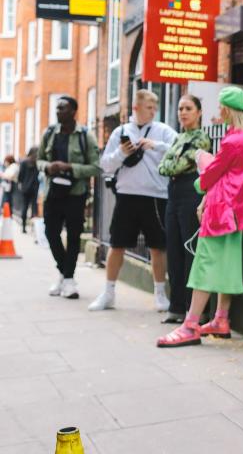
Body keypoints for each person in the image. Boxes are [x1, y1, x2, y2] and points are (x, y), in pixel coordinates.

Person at [156, 87, 243, 348]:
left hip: (221, 210)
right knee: (227, 265)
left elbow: (212, 174)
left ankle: (190, 325)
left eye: (221, 105)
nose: (218, 110)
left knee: (204, 264)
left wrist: (201, 172)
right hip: (236, 211)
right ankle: (221, 318)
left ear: (227, 109)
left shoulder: (234, 140)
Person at [92, 89, 178, 312]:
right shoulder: (121, 131)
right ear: (136, 108)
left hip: (156, 196)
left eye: (154, 108)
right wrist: (121, 153)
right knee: (117, 244)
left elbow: (180, 150)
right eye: (149, 107)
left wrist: (156, 145)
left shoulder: (163, 131)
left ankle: (160, 294)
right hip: (127, 196)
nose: (153, 112)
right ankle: (108, 293)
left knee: (158, 247)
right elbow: (105, 165)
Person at [36, 97, 102, 299]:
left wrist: (70, 168)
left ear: (73, 111)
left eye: (62, 108)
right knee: (50, 233)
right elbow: (39, 160)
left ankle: (68, 280)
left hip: (75, 194)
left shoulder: (85, 136)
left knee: (74, 236)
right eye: (57, 108)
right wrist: (48, 167)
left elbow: (96, 167)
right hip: (53, 193)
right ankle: (65, 275)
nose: (58, 111)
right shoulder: (49, 133)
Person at [157, 95, 212, 324]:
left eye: (188, 108)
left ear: (199, 112)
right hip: (173, 194)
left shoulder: (202, 138)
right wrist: (171, 165)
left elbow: (176, 165)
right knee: (174, 251)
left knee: (191, 251)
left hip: (191, 193)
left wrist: (171, 164)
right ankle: (176, 306)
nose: (183, 112)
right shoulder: (179, 138)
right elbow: (163, 167)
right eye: (180, 108)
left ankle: (194, 310)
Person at [16, 147, 40, 234]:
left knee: (25, 208)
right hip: (34, 188)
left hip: (25, 188)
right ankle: (34, 229)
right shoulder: (36, 163)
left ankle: (23, 227)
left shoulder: (24, 162)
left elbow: (20, 176)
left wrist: (21, 183)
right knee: (34, 209)